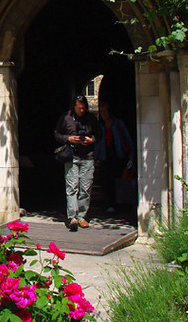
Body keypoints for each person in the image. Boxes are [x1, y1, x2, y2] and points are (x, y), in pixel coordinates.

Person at [54, 95, 100, 231]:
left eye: (84, 108)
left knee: (86, 187)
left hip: (88, 157)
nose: (82, 110)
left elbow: (99, 133)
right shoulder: (66, 118)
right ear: (74, 107)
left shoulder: (91, 118)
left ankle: (82, 216)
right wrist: (69, 138)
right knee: (72, 186)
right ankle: (72, 217)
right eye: (79, 108)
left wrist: (92, 140)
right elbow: (57, 134)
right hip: (71, 156)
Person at [96, 102, 135, 214]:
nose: (103, 114)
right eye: (101, 111)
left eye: (105, 111)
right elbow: (98, 143)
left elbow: (127, 138)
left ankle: (121, 204)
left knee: (118, 179)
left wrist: (131, 155)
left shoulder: (118, 123)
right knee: (107, 180)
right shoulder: (100, 126)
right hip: (105, 156)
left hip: (117, 154)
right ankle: (110, 204)